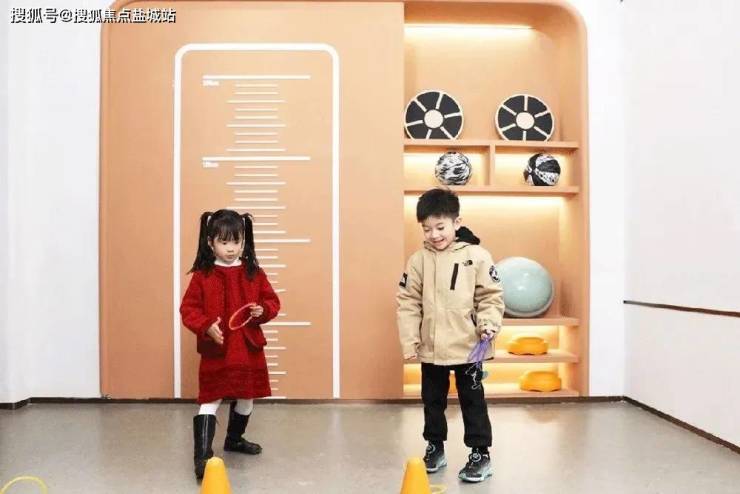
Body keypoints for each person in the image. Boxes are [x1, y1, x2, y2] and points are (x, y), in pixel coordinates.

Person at [397, 188, 505, 483]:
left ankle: (480, 453)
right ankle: (435, 447)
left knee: (473, 401)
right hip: (432, 347)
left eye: (440, 227)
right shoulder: (418, 261)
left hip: (469, 346)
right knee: (432, 401)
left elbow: (491, 296)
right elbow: (408, 302)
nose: (434, 235)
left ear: (457, 222)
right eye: (427, 229)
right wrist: (410, 339)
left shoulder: (477, 256)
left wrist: (488, 323)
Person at [180, 209, 280, 480]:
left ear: (244, 242)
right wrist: (205, 326)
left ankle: (234, 439)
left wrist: (263, 310)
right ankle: (202, 457)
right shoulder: (203, 275)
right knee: (210, 400)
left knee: (247, 399)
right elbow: (188, 309)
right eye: (224, 242)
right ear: (210, 242)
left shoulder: (253, 272)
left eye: (236, 241)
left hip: (247, 349)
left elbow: (272, 302)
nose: (231, 248)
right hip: (218, 351)